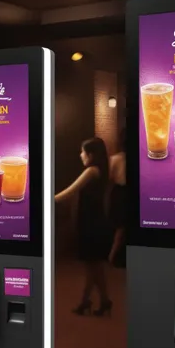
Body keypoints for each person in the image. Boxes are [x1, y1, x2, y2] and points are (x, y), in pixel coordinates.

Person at [55, 137, 113, 315]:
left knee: (93, 265)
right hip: (93, 221)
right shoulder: (102, 169)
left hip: (91, 224)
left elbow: (70, 191)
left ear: (91, 154)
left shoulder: (91, 171)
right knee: (93, 266)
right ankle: (96, 300)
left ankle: (92, 301)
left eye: (83, 151)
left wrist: (48, 200)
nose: (80, 155)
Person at [108, 128, 127, 267]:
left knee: (120, 226)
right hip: (124, 193)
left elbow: (110, 178)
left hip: (119, 192)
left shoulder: (115, 159)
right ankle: (114, 256)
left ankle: (113, 256)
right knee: (123, 226)